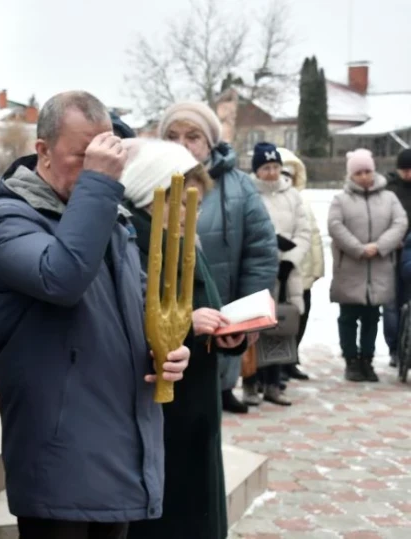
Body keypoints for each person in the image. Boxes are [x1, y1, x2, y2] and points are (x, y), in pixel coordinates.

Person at [0, 91, 191, 539]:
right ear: (43, 151)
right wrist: (99, 184)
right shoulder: (7, 219)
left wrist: (164, 350)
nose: (100, 169)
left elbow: (135, 309)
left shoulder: (111, 219)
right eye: (83, 156)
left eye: (106, 156)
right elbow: (63, 278)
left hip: (119, 444)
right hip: (59, 453)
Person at [119, 139, 246, 539]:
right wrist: (188, 324)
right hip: (163, 409)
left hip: (196, 403)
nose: (191, 214)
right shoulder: (133, 243)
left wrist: (230, 335)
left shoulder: (183, 239)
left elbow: (206, 301)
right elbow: (131, 318)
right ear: (149, 194)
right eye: (182, 203)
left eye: (197, 205)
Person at [159, 101, 278, 414]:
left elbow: (261, 251)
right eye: (172, 136)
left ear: (210, 141)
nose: (181, 144)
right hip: (168, 323)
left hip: (224, 319)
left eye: (192, 136)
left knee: (207, 407)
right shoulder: (150, 186)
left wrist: (249, 315)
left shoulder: (238, 186)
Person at [329, 149, 408, 382]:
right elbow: (335, 225)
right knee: (348, 317)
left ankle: (367, 360)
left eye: (367, 171)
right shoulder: (340, 200)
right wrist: (358, 249)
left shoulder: (389, 198)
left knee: (372, 317)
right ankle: (351, 360)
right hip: (351, 267)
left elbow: (400, 222)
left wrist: (380, 246)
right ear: (351, 175)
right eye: (358, 172)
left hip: (380, 267)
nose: (364, 176)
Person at [243, 143, 311, 406]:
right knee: (253, 326)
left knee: (280, 325)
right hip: (258, 268)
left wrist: (290, 258)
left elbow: (304, 232)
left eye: (275, 167)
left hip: (286, 272)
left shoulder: (292, 195)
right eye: (266, 168)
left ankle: (273, 382)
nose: (271, 172)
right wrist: (270, 245)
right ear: (257, 171)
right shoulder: (249, 194)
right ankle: (251, 381)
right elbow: (247, 228)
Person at [277, 147, 322, 379]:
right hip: (282, 272)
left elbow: (312, 237)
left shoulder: (302, 202)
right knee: (279, 319)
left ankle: (291, 358)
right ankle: (277, 362)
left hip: (303, 273)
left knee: (300, 317)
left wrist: (316, 269)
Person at [384, 148, 411, 366]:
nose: (408, 175)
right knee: (391, 303)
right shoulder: (389, 189)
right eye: (405, 170)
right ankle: (394, 348)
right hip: (392, 251)